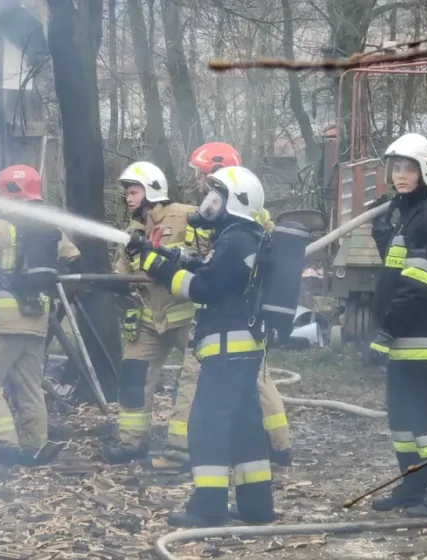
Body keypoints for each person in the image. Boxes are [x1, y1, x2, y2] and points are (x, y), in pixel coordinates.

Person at [131, 165, 274, 527]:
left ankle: (207, 507)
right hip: (240, 348)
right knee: (244, 425)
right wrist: (158, 252)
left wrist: (153, 266)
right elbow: (204, 265)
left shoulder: (236, 239)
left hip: (228, 349)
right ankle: (256, 508)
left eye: (217, 197)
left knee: (206, 425)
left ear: (235, 204)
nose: (208, 204)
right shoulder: (241, 237)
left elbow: (204, 288)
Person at [160, 142, 291, 470]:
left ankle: (181, 449)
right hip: (243, 319)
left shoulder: (233, 215)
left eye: (201, 175)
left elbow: (213, 274)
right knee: (258, 383)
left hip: (227, 314)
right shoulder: (241, 209)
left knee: (199, 381)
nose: (197, 182)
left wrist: (167, 266)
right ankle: (278, 445)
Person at [0, 164, 82, 460]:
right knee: (30, 385)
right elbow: (72, 258)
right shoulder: (51, 228)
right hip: (38, 318)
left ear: (11, 193)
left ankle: (5, 442)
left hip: (4, 321)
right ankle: (36, 445)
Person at [366, 133, 427, 517]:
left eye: (408, 168)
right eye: (395, 168)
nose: (400, 175)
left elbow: (419, 283)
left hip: (421, 336)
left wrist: (386, 330)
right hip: (405, 337)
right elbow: (396, 270)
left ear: (425, 171)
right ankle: (412, 485)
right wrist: (381, 235)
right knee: (403, 419)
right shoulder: (408, 214)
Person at [101, 161, 202, 464]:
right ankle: (131, 443)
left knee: (196, 381)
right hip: (147, 319)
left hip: (188, 316)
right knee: (133, 378)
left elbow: (207, 257)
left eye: (134, 192)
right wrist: (118, 286)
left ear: (152, 190)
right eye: (127, 193)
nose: (128, 198)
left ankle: (182, 448)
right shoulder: (131, 231)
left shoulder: (186, 215)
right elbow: (122, 273)